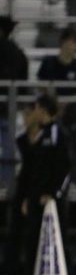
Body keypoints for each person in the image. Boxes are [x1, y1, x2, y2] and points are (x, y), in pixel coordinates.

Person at [13, 94, 71, 275]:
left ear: (43, 110)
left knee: (59, 238)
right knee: (33, 241)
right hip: (37, 198)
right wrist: (30, 196)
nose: (33, 112)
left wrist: (54, 193)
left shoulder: (56, 133)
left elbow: (64, 167)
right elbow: (35, 170)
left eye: (36, 108)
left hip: (51, 200)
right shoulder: (39, 134)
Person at [37, 28, 76, 189]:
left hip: (72, 113)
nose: (74, 46)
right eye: (72, 42)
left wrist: (67, 102)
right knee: (49, 144)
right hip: (51, 113)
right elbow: (41, 85)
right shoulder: (49, 63)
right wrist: (55, 102)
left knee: (71, 145)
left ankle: (73, 181)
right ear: (62, 42)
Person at [0, 16, 27, 189]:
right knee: (8, 143)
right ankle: (7, 181)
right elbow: (23, 80)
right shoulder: (18, 53)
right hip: (9, 105)